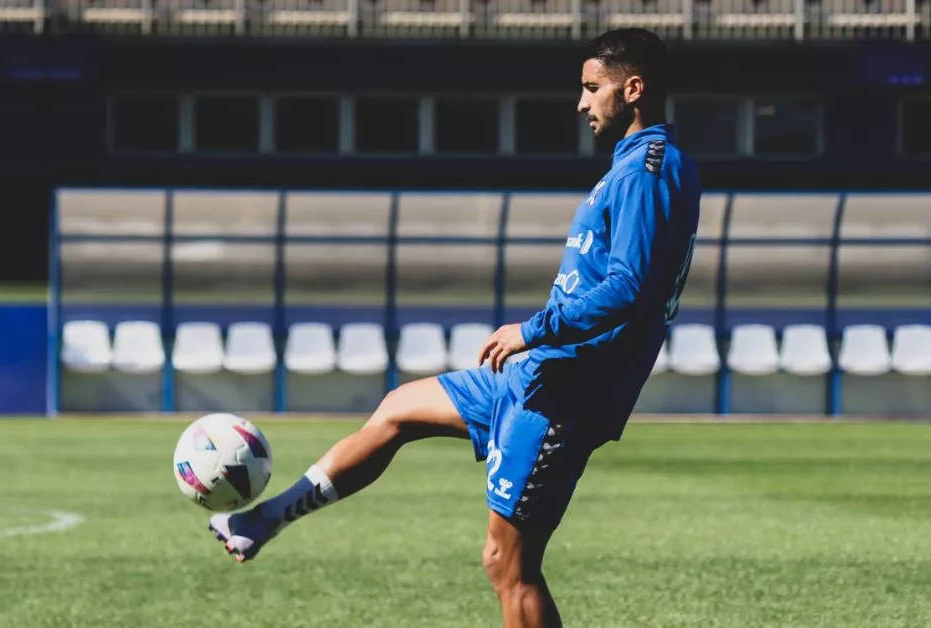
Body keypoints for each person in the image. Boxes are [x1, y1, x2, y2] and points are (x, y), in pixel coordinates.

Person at [207, 27, 701, 628]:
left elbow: (630, 288)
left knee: (507, 564)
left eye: (591, 88)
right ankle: (265, 519)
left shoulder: (649, 169)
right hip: (537, 375)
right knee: (397, 411)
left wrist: (534, 329)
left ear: (634, 89)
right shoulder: (630, 167)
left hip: (566, 392)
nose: (581, 103)